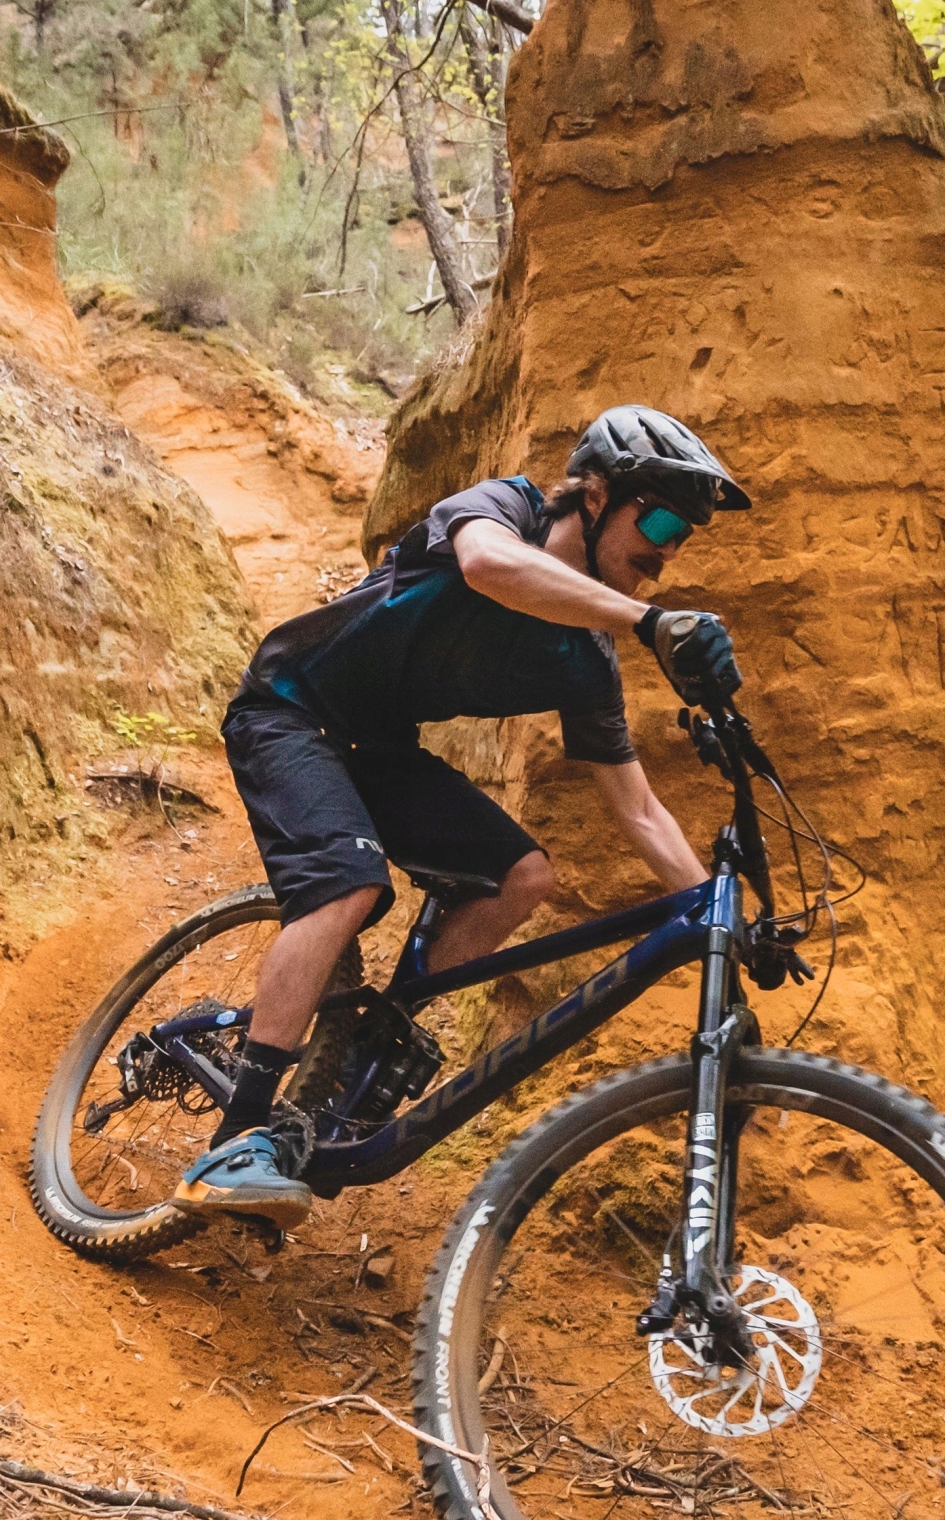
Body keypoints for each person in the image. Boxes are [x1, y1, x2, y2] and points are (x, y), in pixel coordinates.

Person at [177, 406, 752, 1227]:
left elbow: (640, 811)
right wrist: (648, 622)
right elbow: (487, 566)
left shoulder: (585, 657)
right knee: (349, 885)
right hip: (290, 709)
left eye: (684, 537)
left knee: (523, 877)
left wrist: (723, 921)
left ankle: (365, 1054)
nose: (666, 550)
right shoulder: (504, 510)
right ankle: (234, 1141)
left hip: (377, 746)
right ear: (594, 495)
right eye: (660, 521)